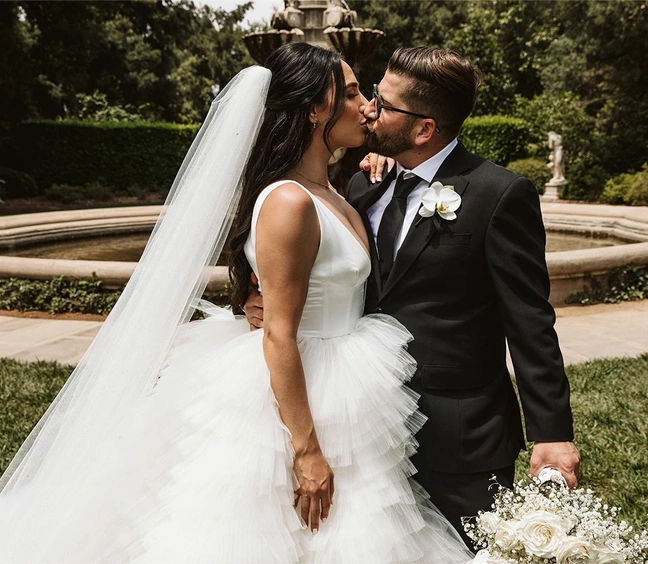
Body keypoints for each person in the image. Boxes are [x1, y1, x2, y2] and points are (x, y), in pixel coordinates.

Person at [0, 43, 472, 563]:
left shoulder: (339, 189)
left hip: (344, 378)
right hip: (299, 386)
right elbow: (281, 333)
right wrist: (305, 449)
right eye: (353, 93)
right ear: (314, 110)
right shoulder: (289, 199)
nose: (368, 106)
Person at [246, 47, 580, 548]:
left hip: (460, 438)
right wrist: (260, 303)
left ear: (424, 129)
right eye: (367, 94)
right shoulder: (362, 184)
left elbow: (530, 321)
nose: (371, 109)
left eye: (382, 101)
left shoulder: (497, 194)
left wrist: (552, 432)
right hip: (361, 426)